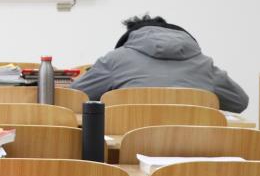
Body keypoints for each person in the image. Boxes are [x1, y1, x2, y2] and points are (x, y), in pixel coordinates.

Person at [71, 14, 249, 112]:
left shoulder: (115, 60)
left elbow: (72, 98)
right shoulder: (204, 64)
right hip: (194, 156)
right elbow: (239, 102)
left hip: (127, 151)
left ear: (130, 37)